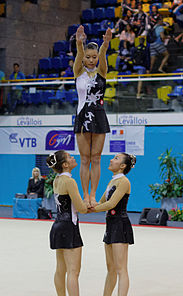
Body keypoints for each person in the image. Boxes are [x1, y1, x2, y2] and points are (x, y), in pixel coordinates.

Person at [46, 150, 98, 296]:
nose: (74, 157)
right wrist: (93, 205)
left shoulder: (57, 180)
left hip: (58, 225)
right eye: (69, 157)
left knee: (61, 268)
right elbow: (81, 208)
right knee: (74, 271)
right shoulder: (69, 181)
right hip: (69, 227)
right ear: (65, 165)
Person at [87, 153, 136, 296]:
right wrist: (88, 204)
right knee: (111, 268)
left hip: (120, 225)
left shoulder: (124, 182)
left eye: (116, 158)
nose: (111, 160)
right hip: (110, 224)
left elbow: (111, 204)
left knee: (121, 269)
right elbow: (101, 202)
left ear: (123, 166)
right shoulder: (113, 180)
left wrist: (90, 210)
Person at [73, 25, 112, 208]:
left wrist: (105, 45)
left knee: (96, 158)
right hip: (82, 116)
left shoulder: (102, 72)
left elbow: (103, 57)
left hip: (98, 116)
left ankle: (93, 195)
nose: (90, 60)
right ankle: (84, 195)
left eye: (93, 57)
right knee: (84, 158)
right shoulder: (78, 72)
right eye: (88, 57)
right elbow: (79, 56)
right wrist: (79, 43)